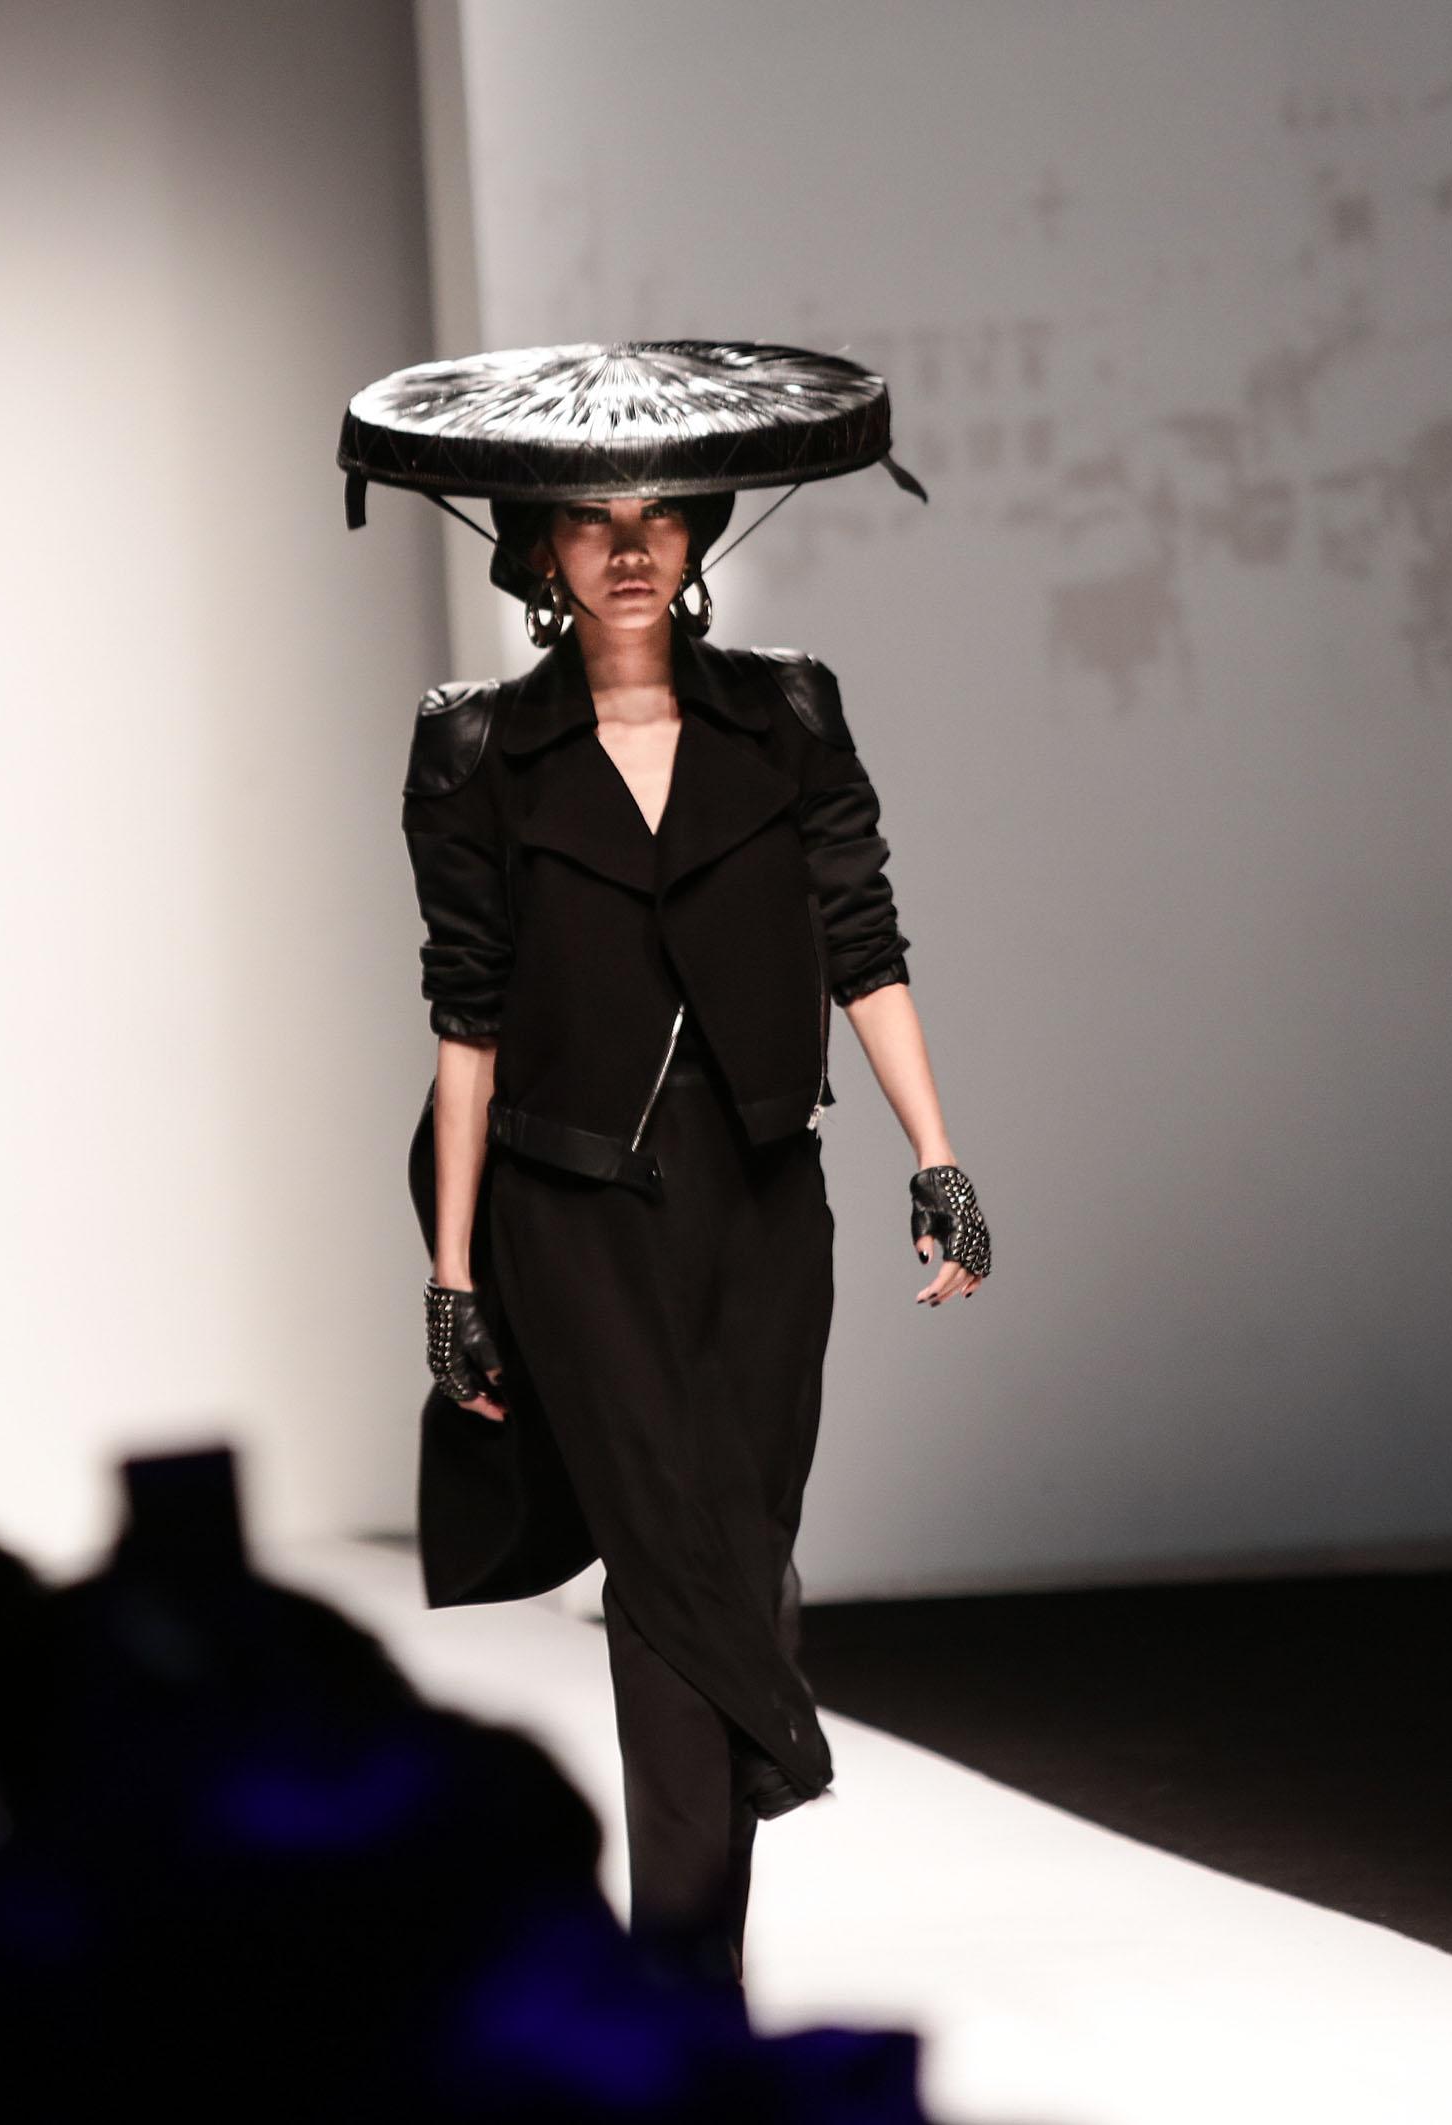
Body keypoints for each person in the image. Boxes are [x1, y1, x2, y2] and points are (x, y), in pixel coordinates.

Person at [400, 484, 993, 1989]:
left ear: (699, 537)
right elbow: (467, 1015)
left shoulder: (785, 715)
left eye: (660, 517)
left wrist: (937, 1156)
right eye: (589, 521)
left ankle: (702, 1925)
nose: (628, 547)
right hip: (572, 1211)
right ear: (540, 549)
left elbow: (864, 943)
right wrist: (454, 1273)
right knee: (665, 1561)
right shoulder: (477, 746)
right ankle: (683, 1983)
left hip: (763, 1201)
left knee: (740, 1555)